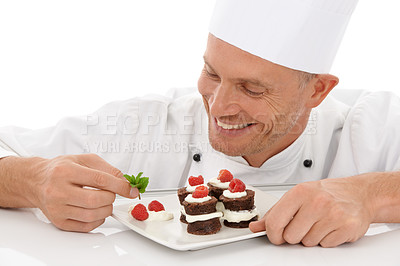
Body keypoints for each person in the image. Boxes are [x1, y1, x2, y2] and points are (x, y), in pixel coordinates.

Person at [1, 0, 400, 248]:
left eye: (252, 89)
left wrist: (371, 195)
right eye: (212, 73)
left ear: (317, 91)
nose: (220, 106)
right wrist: (31, 179)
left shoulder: (369, 127)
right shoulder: (147, 125)